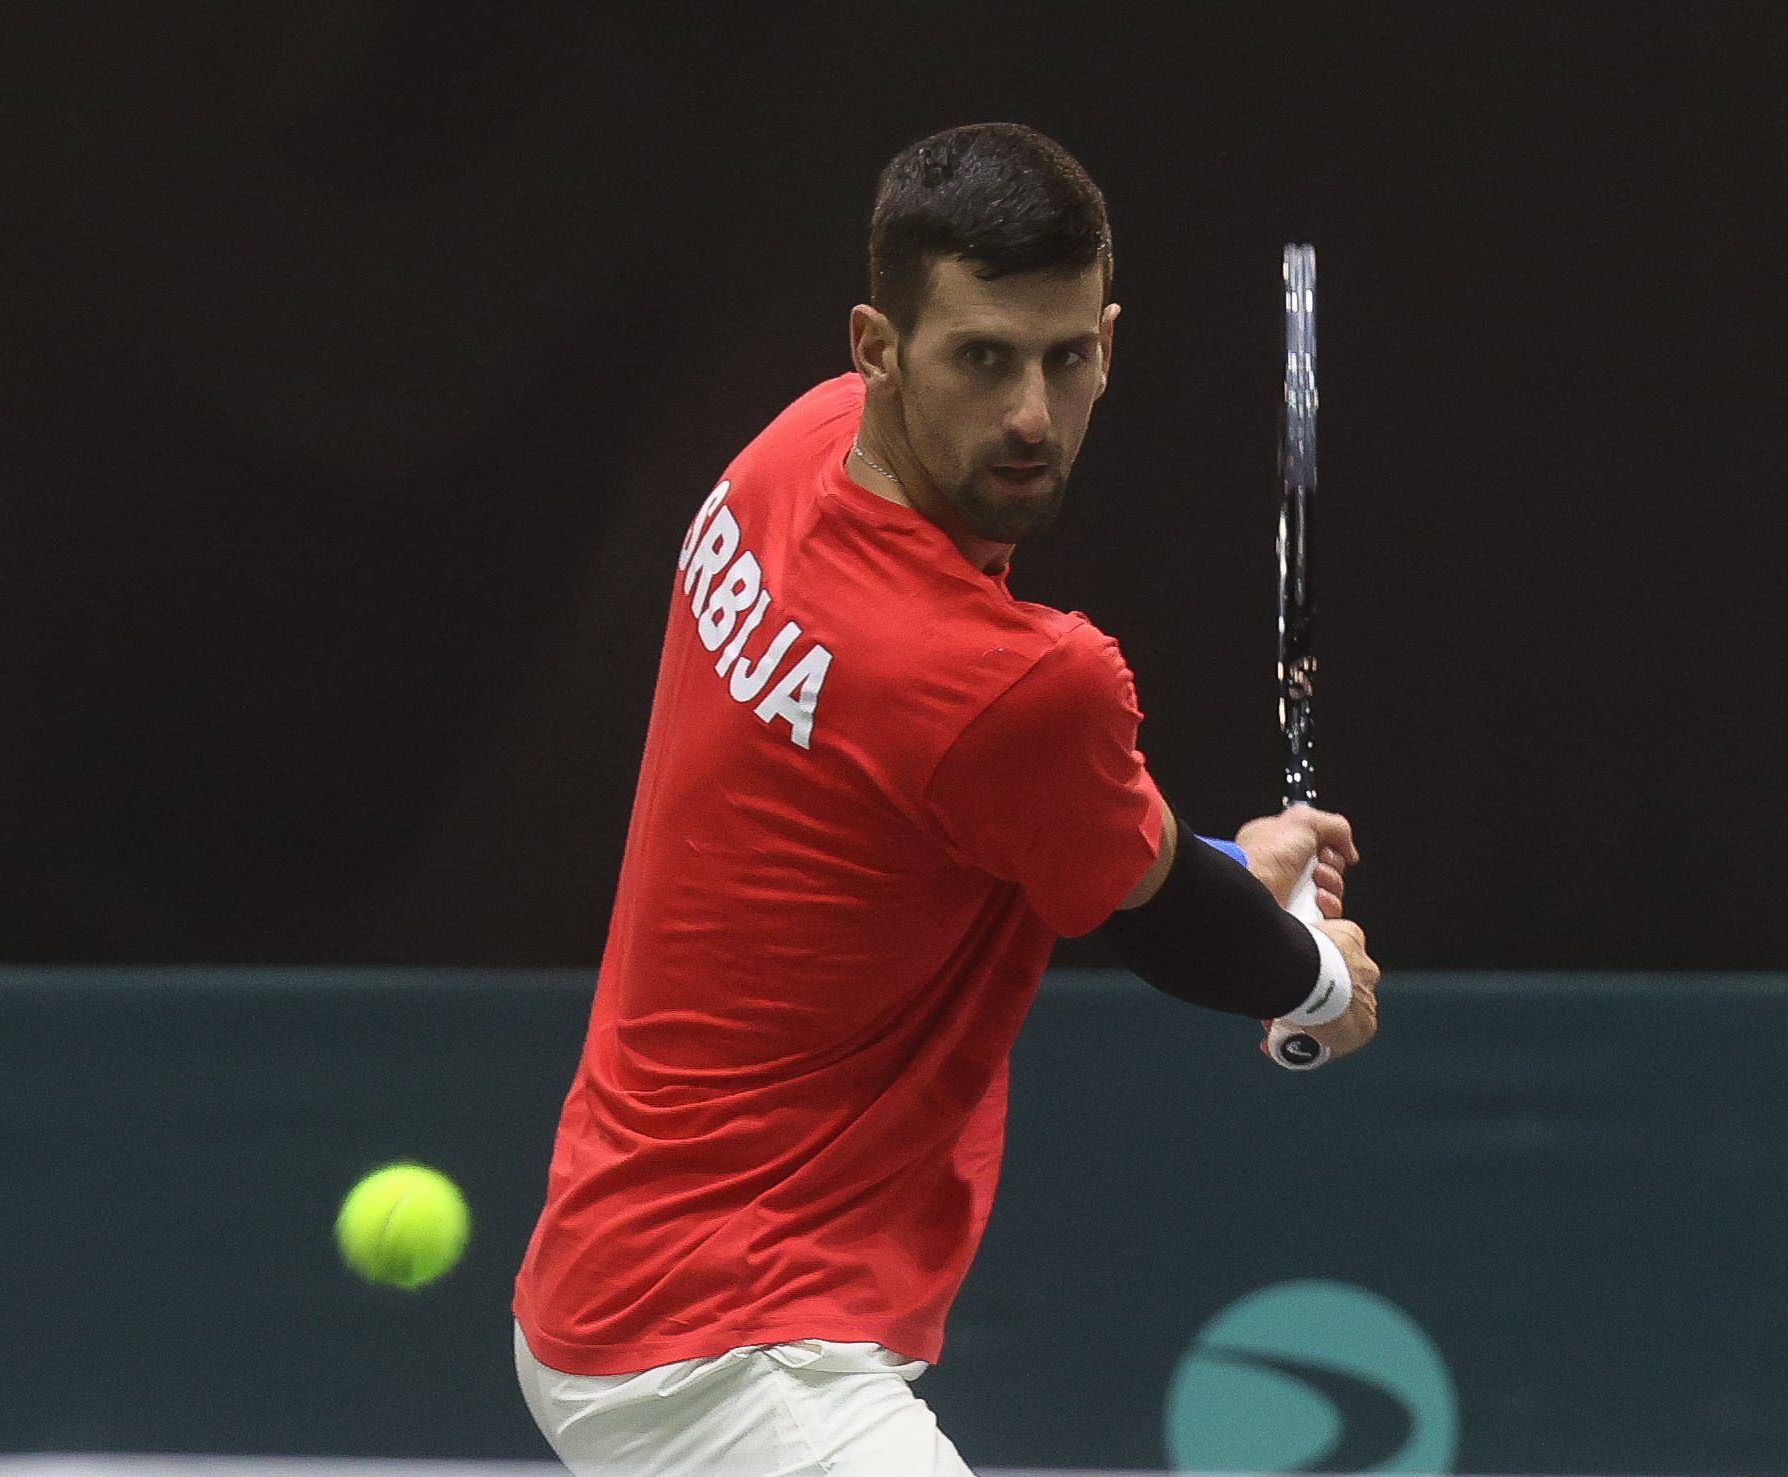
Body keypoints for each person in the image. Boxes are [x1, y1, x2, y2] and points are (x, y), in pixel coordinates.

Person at [510, 121, 1382, 1475]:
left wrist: (1227, 861)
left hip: (615, 1272)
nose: (1030, 412)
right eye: (983, 359)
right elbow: (1165, 920)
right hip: (734, 1350)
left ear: (1110, 341)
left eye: (1065, 357)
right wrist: (1316, 980)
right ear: (879, 345)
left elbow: (988, 819)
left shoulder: (786, 457)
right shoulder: (1021, 681)